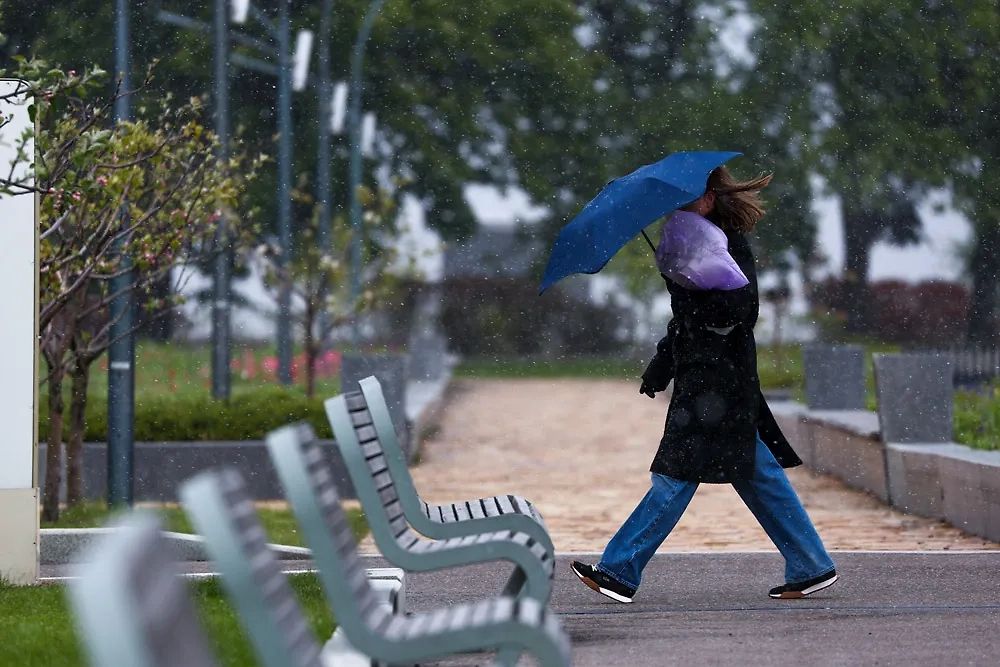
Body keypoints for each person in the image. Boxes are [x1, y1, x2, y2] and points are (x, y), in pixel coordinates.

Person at [571, 166, 837, 602]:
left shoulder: (726, 244)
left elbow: (740, 312)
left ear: (709, 199)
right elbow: (685, 322)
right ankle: (811, 564)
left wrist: (694, 295)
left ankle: (619, 570)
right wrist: (662, 364)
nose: (676, 208)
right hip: (707, 379)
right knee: (758, 474)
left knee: (675, 474)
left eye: (686, 199)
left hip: (718, 385)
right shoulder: (686, 245)